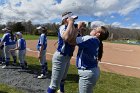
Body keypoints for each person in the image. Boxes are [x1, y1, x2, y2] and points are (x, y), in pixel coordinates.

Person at [66, 19, 109, 93]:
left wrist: (78, 28)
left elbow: (71, 41)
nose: (93, 29)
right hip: (92, 72)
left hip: (87, 73)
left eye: (95, 29)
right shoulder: (96, 41)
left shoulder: (90, 39)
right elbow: (84, 42)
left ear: (98, 34)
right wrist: (81, 32)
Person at [47, 12, 78, 93]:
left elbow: (75, 42)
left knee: (63, 78)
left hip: (67, 57)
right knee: (54, 85)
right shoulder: (62, 27)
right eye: (71, 19)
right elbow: (66, 38)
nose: (73, 21)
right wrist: (71, 23)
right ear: (65, 20)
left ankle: (61, 91)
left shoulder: (72, 28)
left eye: (73, 19)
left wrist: (78, 29)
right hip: (60, 58)